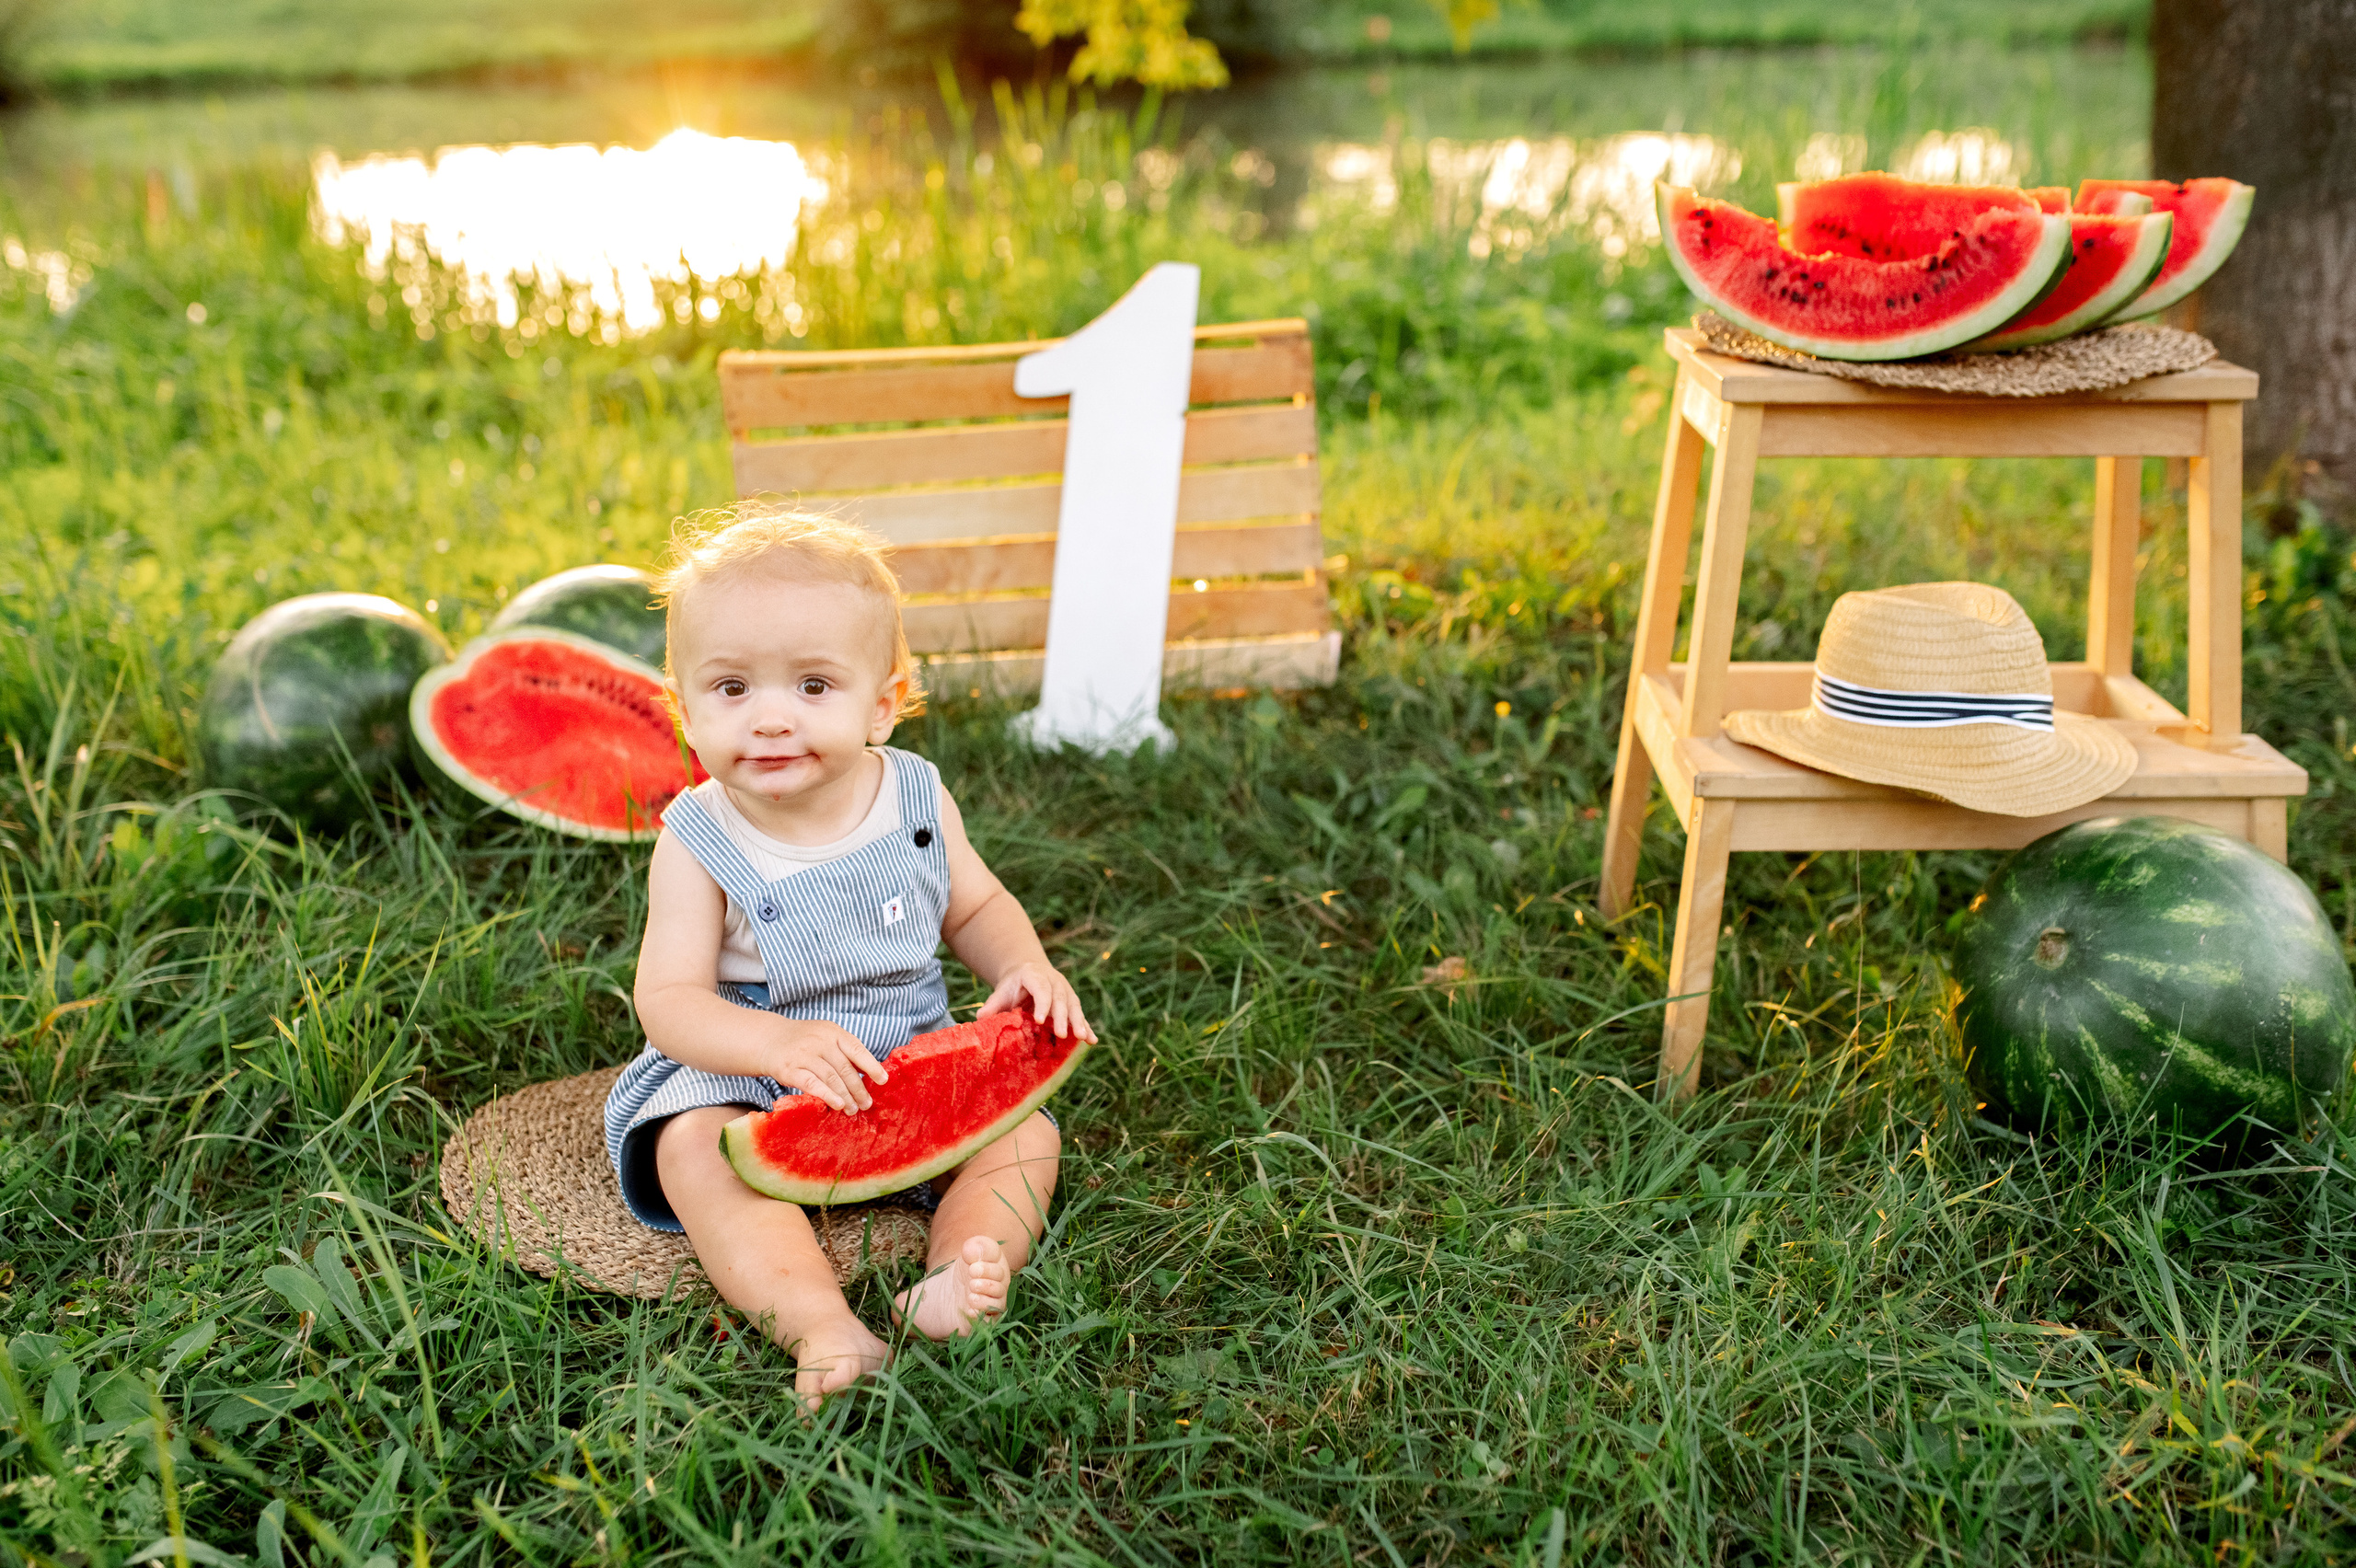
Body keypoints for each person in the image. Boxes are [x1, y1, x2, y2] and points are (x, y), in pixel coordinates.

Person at [603, 504, 1095, 1407]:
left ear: (884, 700)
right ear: (682, 707)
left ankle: (952, 1277)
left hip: (904, 1049)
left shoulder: (914, 793)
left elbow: (975, 905)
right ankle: (818, 1322)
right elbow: (670, 1001)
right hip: (743, 1073)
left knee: (1024, 1134)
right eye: (731, 689)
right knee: (692, 1149)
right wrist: (772, 1053)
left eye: (814, 687)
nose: (771, 719)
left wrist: (1021, 968)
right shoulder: (697, 838)